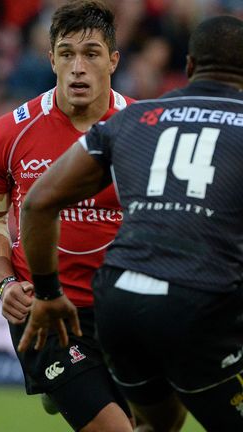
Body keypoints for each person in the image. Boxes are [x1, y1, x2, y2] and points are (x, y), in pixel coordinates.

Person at [18, 14, 243, 432]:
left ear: (189, 66)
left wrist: (48, 293)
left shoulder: (134, 118)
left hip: (120, 306)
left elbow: (37, 203)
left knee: (157, 424)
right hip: (202, 302)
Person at [0, 1, 135, 430]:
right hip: (45, 311)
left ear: (113, 61)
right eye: (66, 54)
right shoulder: (11, 132)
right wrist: (4, 283)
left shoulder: (144, 130)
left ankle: (64, 390)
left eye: (92, 54)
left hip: (124, 313)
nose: (78, 68)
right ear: (51, 60)